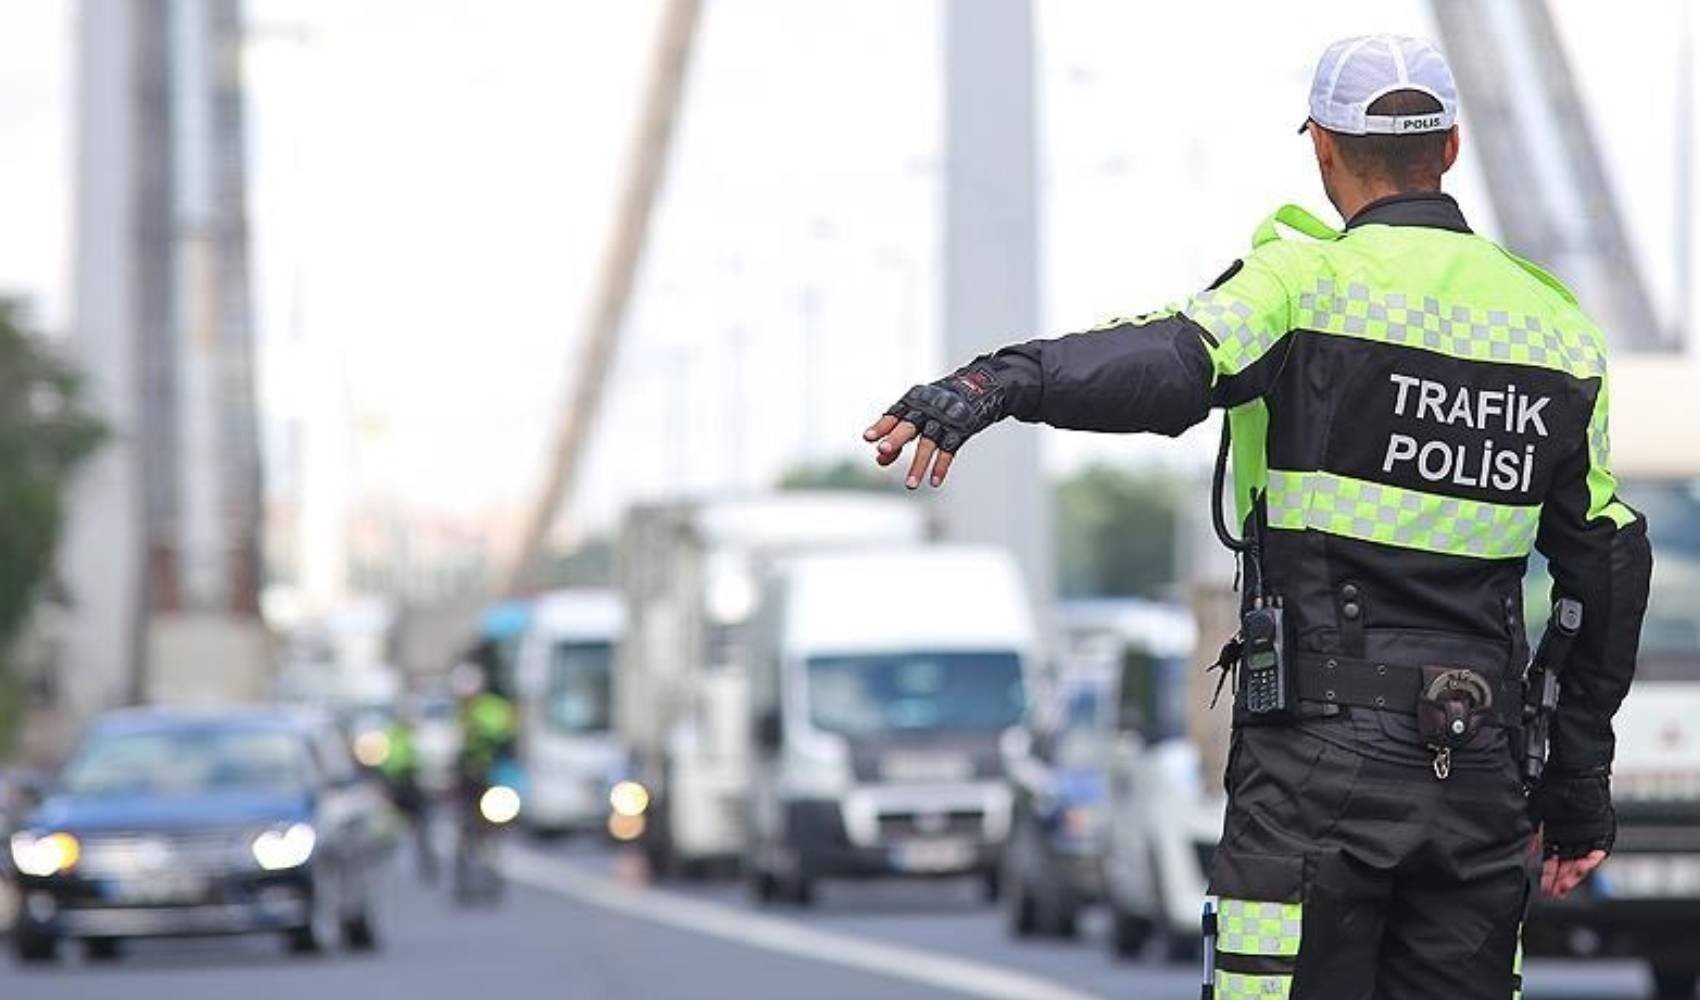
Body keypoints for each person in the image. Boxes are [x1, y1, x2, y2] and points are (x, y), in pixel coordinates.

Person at [864, 34, 1651, 999]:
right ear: (1450, 148)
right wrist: (1576, 786)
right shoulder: (1555, 329)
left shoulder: (1300, 285)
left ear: (1322, 146)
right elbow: (1607, 568)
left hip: (1316, 771)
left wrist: (998, 383)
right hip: (1477, 771)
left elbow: (1164, 364)